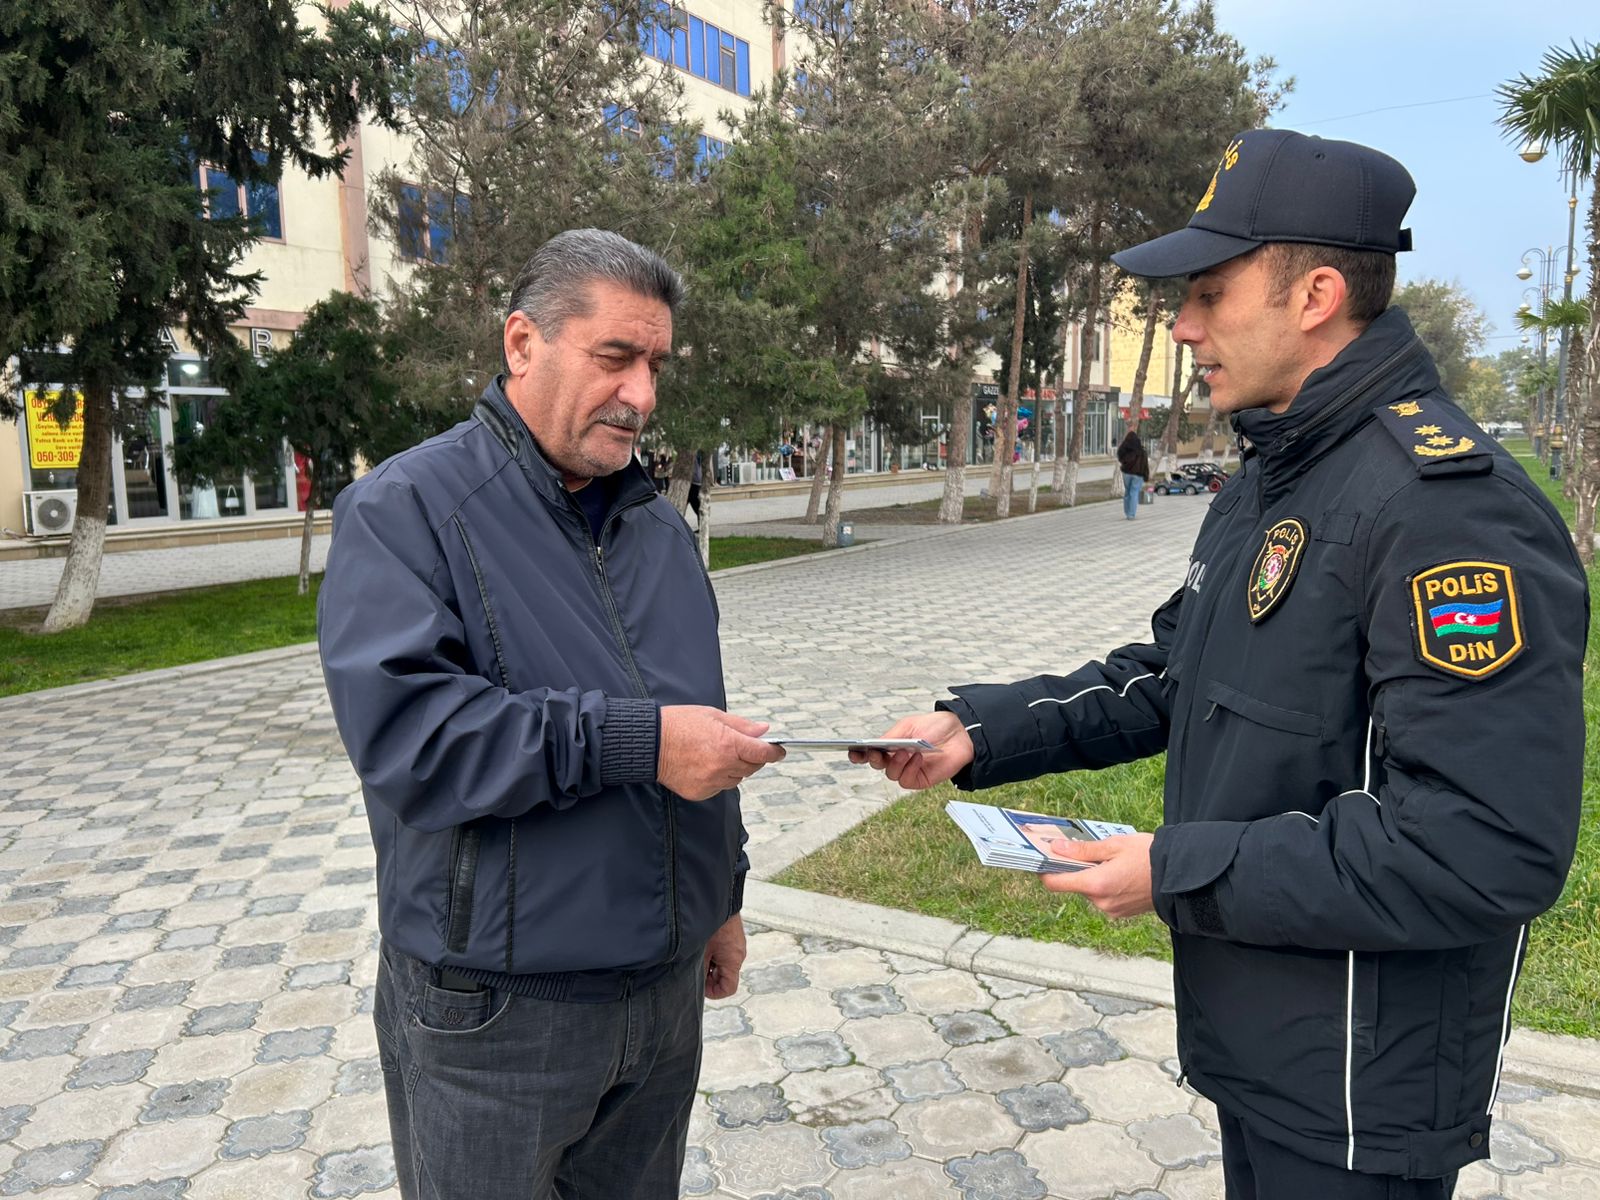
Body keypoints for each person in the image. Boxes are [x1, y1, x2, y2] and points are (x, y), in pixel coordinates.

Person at [852, 129, 1586, 1199]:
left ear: (1316, 294)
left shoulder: (1444, 511)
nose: (1183, 327)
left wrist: (1178, 869)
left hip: (1359, 1088)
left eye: (1208, 293)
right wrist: (979, 731)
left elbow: (1482, 847)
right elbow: (1172, 671)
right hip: (1267, 1044)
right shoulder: (1275, 473)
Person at [317, 229, 785, 1200]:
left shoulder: (658, 528)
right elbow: (418, 741)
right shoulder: (405, 510)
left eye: (656, 363)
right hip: (498, 1014)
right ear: (522, 343)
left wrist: (722, 897)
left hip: (660, 1002)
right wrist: (640, 743)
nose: (643, 394)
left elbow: (705, 721)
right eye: (615, 357)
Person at [1116, 429, 1150, 519]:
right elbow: (1145, 465)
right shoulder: (1142, 452)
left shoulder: (1123, 450)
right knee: (1134, 492)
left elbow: (1120, 458)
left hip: (1126, 473)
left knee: (1127, 492)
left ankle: (1127, 512)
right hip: (1138, 475)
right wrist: (1146, 476)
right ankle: (1131, 514)